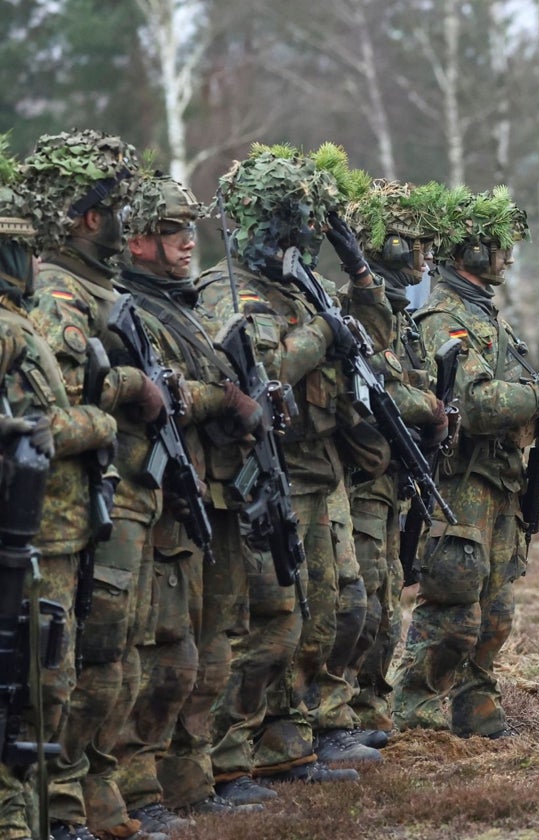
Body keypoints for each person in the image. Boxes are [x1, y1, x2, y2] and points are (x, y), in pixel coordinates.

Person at [194, 143, 384, 791]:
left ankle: (290, 736)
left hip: (319, 466)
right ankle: (230, 750)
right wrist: (320, 336)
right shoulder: (230, 292)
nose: (303, 236)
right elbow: (261, 373)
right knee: (271, 618)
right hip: (269, 469)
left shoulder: (302, 284)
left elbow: (374, 338)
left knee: (332, 609)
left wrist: (358, 273)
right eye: (292, 221)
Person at [23, 130, 172, 840]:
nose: (126, 220)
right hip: (64, 508)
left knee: (113, 658)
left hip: (108, 502)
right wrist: (131, 388)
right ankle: (58, 810)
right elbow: (51, 392)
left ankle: (95, 803)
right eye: (116, 207)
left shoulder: (100, 287)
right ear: (89, 217)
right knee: (71, 666)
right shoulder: (58, 289)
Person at [111, 173, 267, 831]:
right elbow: (167, 392)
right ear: (139, 241)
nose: (186, 243)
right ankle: (139, 789)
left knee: (214, 648)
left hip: (215, 493)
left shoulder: (186, 306)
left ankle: (192, 779)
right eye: (173, 232)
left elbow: (210, 380)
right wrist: (223, 399)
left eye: (189, 230)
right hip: (160, 497)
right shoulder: (128, 308)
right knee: (161, 653)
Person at [391, 186, 539, 738]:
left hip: (499, 484)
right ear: (467, 250)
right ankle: (412, 712)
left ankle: (477, 710)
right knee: (452, 610)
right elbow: (481, 403)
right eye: (496, 245)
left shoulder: (488, 317)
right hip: (459, 484)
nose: (506, 256)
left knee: (495, 615)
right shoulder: (445, 317)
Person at [0, 137, 118, 840]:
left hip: (52, 532)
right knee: (30, 688)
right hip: (26, 539)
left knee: (49, 683)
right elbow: (30, 422)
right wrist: (95, 419)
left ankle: (41, 819)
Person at [339, 180, 451, 737]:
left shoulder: (401, 316)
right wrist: (425, 405)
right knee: (356, 604)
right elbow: (372, 385)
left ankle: (366, 713)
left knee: (384, 602)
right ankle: (337, 717)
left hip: (389, 482)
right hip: (359, 479)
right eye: (414, 239)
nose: (426, 251)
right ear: (380, 244)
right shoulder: (354, 308)